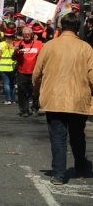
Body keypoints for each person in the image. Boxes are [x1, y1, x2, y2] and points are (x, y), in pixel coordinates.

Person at [33, 12, 93, 185]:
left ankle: (59, 174)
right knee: (77, 135)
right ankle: (81, 167)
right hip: (79, 99)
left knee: (58, 137)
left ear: (60, 27)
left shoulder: (49, 46)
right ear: (78, 28)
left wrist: (37, 92)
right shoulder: (86, 48)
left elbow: (37, 73)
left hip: (54, 98)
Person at [13, 26, 43, 117]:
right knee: (22, 92)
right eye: (25, 34)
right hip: (22, 72)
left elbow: (43, 57)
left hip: (35, 72)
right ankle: (24, 110)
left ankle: (35, 108)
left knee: (35, 92)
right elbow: (13, 58)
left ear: (32, 35)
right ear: (22, 35)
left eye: (28, 34)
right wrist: (16, 51)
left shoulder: (39, 44)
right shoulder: (17, 44)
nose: (26, 36)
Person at [0, 28, 16, 104]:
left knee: (6, 83)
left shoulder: (2, 44)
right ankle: (13, 100)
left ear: (6, 36)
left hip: (3, 67)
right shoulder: (15, 44)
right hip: (12, 67)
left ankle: (8, 99)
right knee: (12, 84)